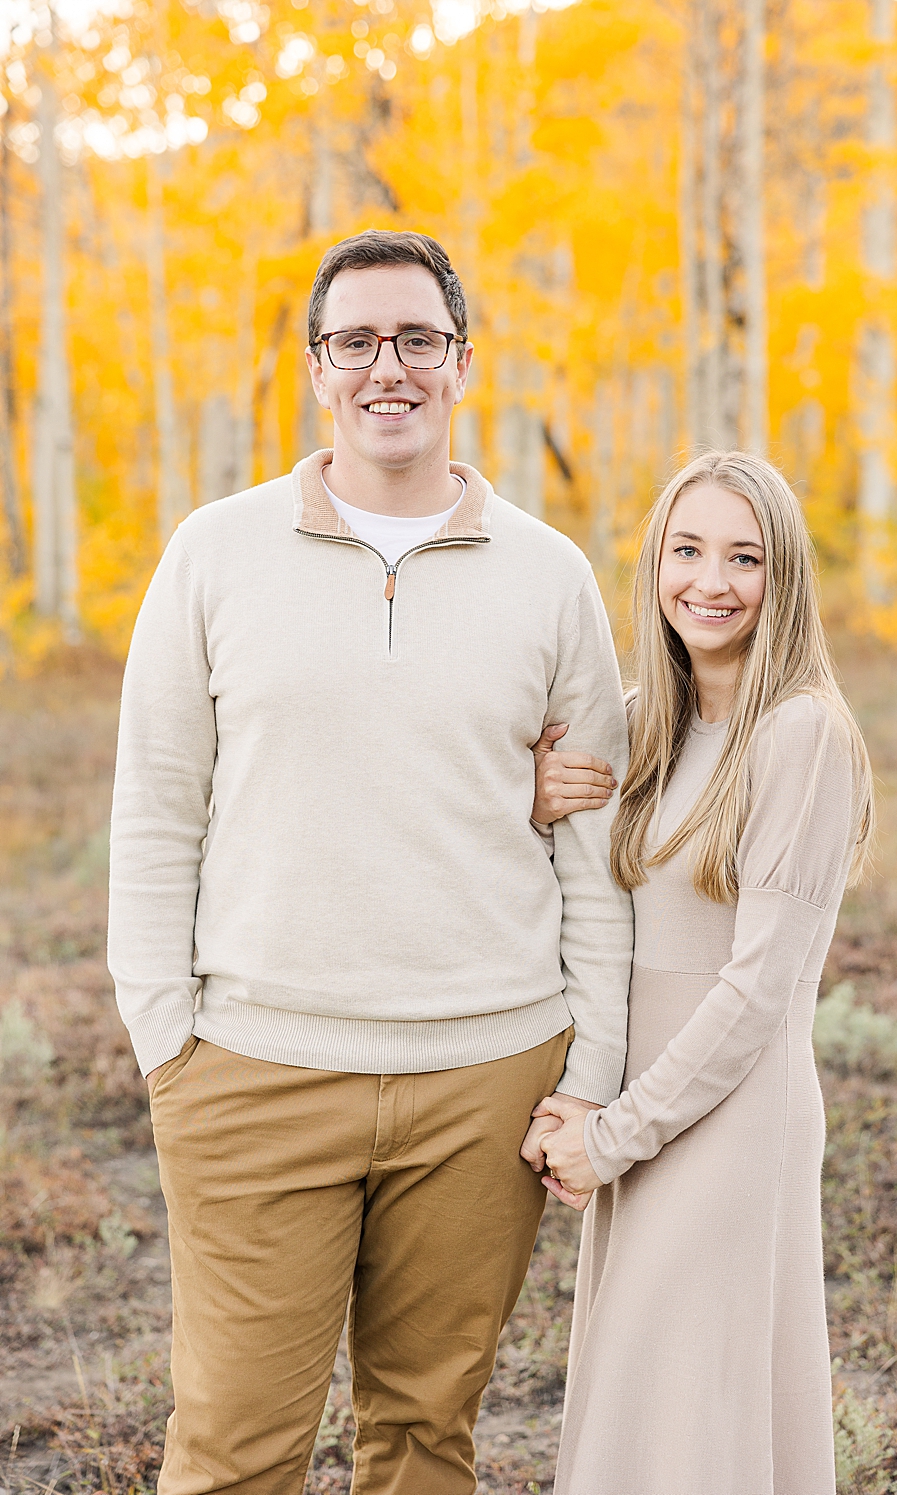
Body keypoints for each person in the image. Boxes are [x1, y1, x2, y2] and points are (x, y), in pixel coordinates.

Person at [108, 228, 632, 1494]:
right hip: (253, 1076)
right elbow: (155, 811)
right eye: (355, 342)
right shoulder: (213, 552)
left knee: (422, 1442)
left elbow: (594, 849)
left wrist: (595, 1072)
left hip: (486, 1083)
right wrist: (166, 1044)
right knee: (233, 1450)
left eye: (416, 339)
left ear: (462, 363)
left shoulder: (552, 576)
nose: (385, 367)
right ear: (316, 369)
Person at [524, 451, 873, 1494]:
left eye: (743, 556)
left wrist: (611, 1138)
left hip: (726, 1120)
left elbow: (758, 991)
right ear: (654, 563)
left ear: (785, 576)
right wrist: (533, 804)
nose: (708, 581)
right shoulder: (642, 722)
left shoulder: (801, 734)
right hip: (639, 1111)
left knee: (686, 1424)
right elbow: (570, 900)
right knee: (647, 1413)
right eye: (686, 550)